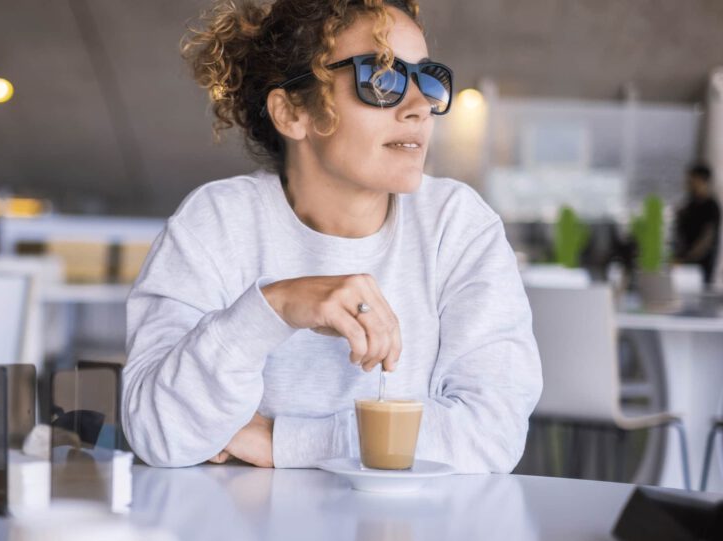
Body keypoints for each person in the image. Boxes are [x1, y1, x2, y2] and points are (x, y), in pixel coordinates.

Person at [122, 0, 542, 472]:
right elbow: (157, 432)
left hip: (406, 540)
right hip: (243, 534)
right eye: (381, 79)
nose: (420, 106)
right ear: (292, 113)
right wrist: (273, 308)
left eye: (426, 79)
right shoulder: (216, 223)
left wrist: (281, 442)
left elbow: (493, 433)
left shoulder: (458, 226)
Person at [673, 163, 720, 285]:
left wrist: (687, 259)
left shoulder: (711, 206)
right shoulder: (688, 205)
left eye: (692, 179)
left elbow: (707, 239)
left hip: (700, 268)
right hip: (683, 266)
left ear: (702, 180)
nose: (688, 183)